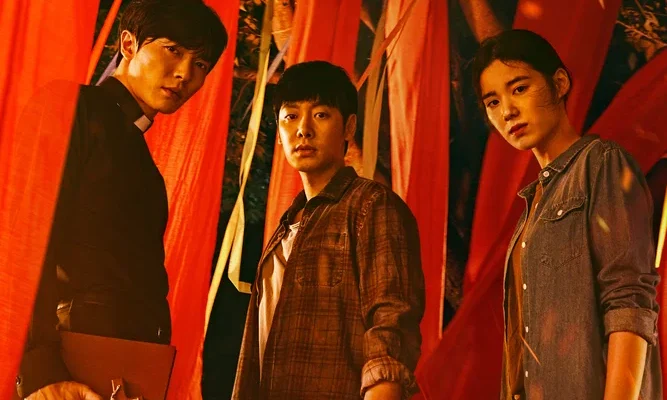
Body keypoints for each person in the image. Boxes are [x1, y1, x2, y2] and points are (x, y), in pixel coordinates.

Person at [17, 1, 227, 398]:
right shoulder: (74, 109)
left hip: (127, 368)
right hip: (69, 366)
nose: (185, 73)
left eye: (200, 63)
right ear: (128, 44)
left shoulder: (139, 156)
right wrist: (39, 370)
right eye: (173, 50)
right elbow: (23, 239)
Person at [472, 29, 661, 399]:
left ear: (559, 83)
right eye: (492, 102)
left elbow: (629, 301)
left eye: (519, 88)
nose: (507, 110)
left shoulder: (600, 164)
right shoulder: (533, 206)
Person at [232, 61, 425, 400]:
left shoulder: (371, 204)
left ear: (349, 127)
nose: (303, 130)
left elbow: (390, 322)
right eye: (291, 116)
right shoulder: (285, 228)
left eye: (320, 115)